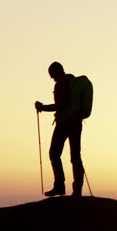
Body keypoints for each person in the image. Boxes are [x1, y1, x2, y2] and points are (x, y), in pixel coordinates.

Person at [35, 61, 85, 197]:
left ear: (57, 72)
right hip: (76, 123)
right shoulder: (72, 82)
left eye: (52, 75)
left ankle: (60, 186)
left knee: (54, 153)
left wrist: (43, 107)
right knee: (75, 156)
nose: (52, 78)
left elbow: (60, 106)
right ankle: (77, 190)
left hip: (65, 123)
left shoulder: (62, 84)